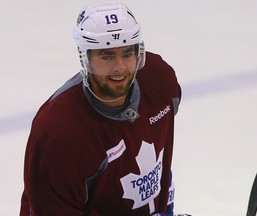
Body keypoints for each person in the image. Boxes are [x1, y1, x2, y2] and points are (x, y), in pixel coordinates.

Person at [20, 2, 181, 216]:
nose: (120, 68)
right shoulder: (59, 132)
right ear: (85, 59)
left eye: (127, 54)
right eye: (106, 56)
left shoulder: (159, 81)